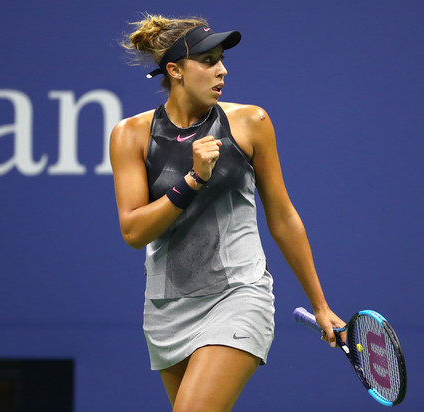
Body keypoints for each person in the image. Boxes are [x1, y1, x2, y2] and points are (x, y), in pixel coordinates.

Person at [110, 13, 345, 412]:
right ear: (175, 70)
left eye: (221, 59)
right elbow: (133, 232)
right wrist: (192, 180)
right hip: (166, 307)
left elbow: (283, 216)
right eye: (207, 61)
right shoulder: (130, 135)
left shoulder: (250, 122)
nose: (221, 70)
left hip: (238, 294)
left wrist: (320, 305)